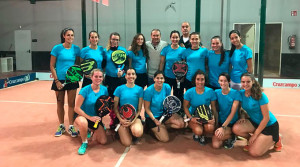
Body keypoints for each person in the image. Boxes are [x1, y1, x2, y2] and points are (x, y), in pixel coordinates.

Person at [232, 73, 282, 157]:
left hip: (269, 126)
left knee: (254, 152)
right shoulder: (241, 93)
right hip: (255, 122)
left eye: (248, 82)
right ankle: (254, 141)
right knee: (236, 128)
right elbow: (241, 108)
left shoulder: (261, 96)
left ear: (253, 82)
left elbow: (266, 118)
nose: (245, 84)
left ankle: (276, 139)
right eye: (243, 82)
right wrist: (243, 116)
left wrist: (255, 135)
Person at [50, 27, 80, 137]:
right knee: (60, 103)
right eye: (68, 35)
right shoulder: (57, 48)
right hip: (59, 79)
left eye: (72, 35)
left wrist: (76, 75)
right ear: (64, 36)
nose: (70, 37)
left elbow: (77, 64)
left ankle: (71, 126)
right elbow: (52, 66)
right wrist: (57, 80)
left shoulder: (76, 49)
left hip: (72, 80)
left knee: (71, 104)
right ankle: (61, 125)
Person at [74, 69, 108, 155]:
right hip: (82, 115)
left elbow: (103, 106)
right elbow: (76, 108)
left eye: (100, 77)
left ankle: (91, 129)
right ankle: (84, 142)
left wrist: (100, 117)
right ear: (91, 77)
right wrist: (89, 118)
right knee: (83, 123)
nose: (98, 78)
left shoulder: (104, 90)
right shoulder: (85, 90)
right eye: (96, 76)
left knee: (103, 141)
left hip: (95, 118)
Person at [144, 70, 184, 142]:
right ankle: (151, 127)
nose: (159, 80)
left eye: (161, 78)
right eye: (157, 78)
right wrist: (154, 120)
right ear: (154, 79)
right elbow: (147, 109)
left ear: (164, 79)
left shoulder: (167, 87)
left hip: (164, 113)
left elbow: (167, 101)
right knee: (165, 139)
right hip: (152, 116)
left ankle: (162, 126)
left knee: (181, 124)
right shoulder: (148, 91)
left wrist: (169, 111)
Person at [183, 70, 217, 145]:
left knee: (210, 128)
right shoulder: (189, 92)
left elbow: (214, 108)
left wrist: (214, 118)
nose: (200, 82)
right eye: (198, 79)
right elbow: (185, 107)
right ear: (194, 80)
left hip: (206, 116)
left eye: (202, 79)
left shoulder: (210, 91)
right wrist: (191, 118)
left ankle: (203, 135)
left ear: (205, 80)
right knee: (198, 131)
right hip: (193, 117)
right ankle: (198, 133)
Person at [113, 68, 144, 146]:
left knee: (138, 132)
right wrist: (120, 119)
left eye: (133, 74)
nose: (131, 76)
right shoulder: (119, 89)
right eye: (129, 74)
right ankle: (121, 130)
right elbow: (115, 107)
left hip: (135, 117)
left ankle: (131, 128)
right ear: (125, 76)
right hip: (122, 118)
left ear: (136, 76)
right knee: (127, 143)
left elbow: (139, 109)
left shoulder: (140, 89)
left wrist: (132, 121)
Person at [212, 73, 241, 149]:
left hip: (231, 123)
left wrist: (223, 127)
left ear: (229, 81)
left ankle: (233, 135)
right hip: (221, 121)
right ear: (218, 81)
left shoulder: (235, 93)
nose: (223, 83)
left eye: (225, 81)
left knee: (218, 138)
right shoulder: (216, 92)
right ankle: (228, 136)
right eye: (221, 81)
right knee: (216, 145)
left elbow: (232, 113)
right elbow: (213, 108)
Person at [159, 30, 185, 102]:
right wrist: (160, 74)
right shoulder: (166, 49)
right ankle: (166, 110)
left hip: (178, 78)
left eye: (176, 37)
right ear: (170, 38)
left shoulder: (183, 50)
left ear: (179, 38)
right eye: (173, 37)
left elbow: (184, 65)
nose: (175, 39)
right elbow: (162, 62)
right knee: (166, 94)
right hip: (167, 76)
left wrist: (182, 77)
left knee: (178, 95)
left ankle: (178, 111)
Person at [104, 32, 128, 97]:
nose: (115, 41)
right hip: (109, 78)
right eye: (113, 39)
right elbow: (103, 65)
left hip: (121, 79)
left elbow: (127, 65)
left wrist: (122, 71)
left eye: (117, 40)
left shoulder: (123, 50)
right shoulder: (105, 51)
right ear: (110, 39)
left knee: (121, 98)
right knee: (110, 98)